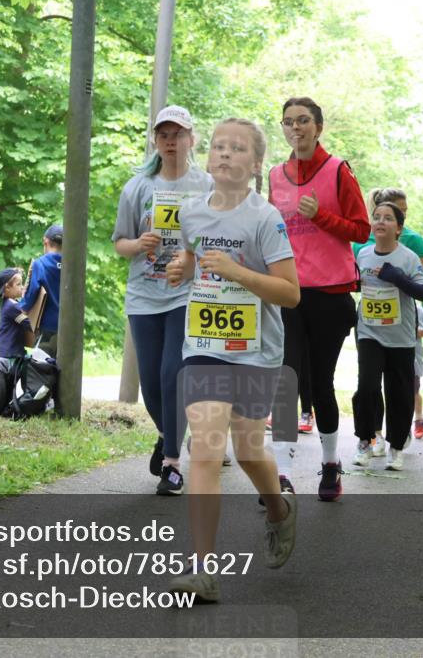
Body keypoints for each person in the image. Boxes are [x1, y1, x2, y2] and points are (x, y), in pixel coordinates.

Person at [165, 118, 299, 602]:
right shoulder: (191, 213)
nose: (224, 154)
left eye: (237, 148)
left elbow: (290, 294)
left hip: (256, 350)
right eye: (219, 146)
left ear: (256, 164)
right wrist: (183, 268)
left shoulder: (266, 219)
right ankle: (202, 571)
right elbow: (189, 262)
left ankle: (278, 507)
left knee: (247, 451)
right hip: (203, 345)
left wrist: (240, 274)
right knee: (204, 446)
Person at [268, 97, 369, 501]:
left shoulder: (337, 170)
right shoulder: (275, 175)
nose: (297, 128)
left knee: (321, 383)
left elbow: (361, 230)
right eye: (289, 122)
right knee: (286, 378)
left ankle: (330, 464)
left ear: (318, 127)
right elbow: (268, 232)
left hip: (330, 294)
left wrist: (320, 216)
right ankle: (283, 474)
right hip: (288, 292)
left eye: (304, 121)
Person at [112, 105, 213, 495]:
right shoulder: (138, 186)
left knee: (174, 373)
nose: (171, 142)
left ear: (192, 139)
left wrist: (191, 257)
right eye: (164, 135)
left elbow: (219, 237)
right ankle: (166, 431)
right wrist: (139, 243)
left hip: (188, 293)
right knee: (151, 384)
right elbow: (120, 242)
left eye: (179, 134)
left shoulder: (205, 186)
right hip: (144, 294)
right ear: (155, 140)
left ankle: (172, 462)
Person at [351, 201, 423, 472]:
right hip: (369, 332)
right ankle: (365, 440)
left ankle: (396, 448)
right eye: (376, 217)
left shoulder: (408, 258)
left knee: (399, 394)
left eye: (388, 218)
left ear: (398, 228)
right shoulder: (362, 254)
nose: (381, 221)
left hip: (401, 337)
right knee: (367, 387)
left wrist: (398, 277)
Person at [19, 223, 63, 358]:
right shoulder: (72, 265)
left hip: (47, 326)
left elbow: (32, 292)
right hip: (67, 327)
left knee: (42, 368)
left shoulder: (40, 263)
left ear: (45, 241)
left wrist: (22, 307)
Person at [0, 268, 33, 360]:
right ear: (7, 288)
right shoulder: (12, 306)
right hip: (10, 354)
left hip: (4, 352)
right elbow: (29, 324)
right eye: (19, 284)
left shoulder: (8, 303)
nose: (22, 287)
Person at [412, 302, 423, 438]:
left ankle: (419, 420)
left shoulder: (418, 310)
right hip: (393, 351)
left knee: (414, 390)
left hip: (413, 354)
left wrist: (406, 328)